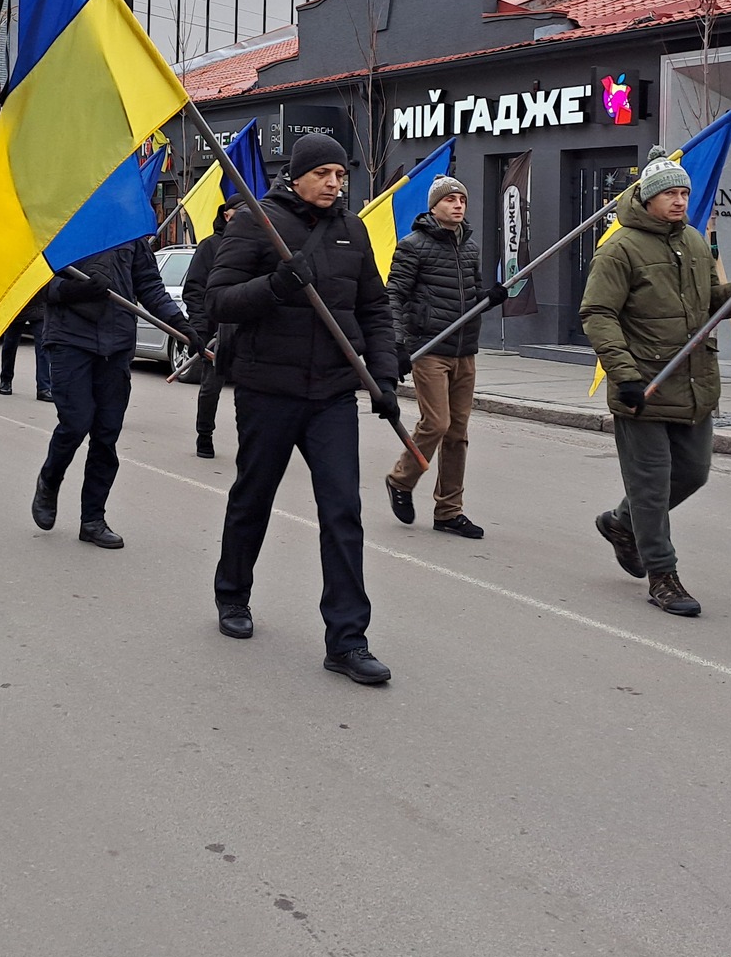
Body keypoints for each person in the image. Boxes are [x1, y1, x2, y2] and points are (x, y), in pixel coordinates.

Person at [205, 133, 400, 686]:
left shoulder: (351, 229)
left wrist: (384, 376)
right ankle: (232, 596)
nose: (335, 185)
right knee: (254, 495)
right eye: (324, 175)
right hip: (268, 387)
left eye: (341, 175)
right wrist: (274, 286)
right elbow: (218, 299)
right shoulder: (256, 222)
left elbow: (375, 308)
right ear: (298, 176)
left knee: (342, 511)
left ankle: (347, 640)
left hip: (332, 394)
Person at [581, 146, 731, 619]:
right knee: (651, 487)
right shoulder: (620, 248)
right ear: (648, 198)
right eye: (671, 194)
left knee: (694, 474)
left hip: (693, 382)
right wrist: (623, 376)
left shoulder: (695, 243)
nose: (680, 201)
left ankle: (622, 525)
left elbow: (704, 304)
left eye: (685, 192)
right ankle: (662, 575)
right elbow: (598, 314)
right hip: (643, 387)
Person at [29, 238, 193, 549]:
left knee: (106, 434)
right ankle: (49, 480)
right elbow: (34, 284)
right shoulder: (64, 223)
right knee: (76, 422)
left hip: (116, 343)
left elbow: (150, 287)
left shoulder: (130, 232)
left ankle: (92, 519)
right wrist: (71, 290)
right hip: (69, 339)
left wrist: (182, 326)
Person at [384, 174, 506, 538]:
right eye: (450, 200)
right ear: (434, 205)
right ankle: (401, 480)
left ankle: (449, 511)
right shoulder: (413, 245)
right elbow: (394, 295)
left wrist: (488, 297)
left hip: (464, 349)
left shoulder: (468, 246)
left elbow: (468, 296)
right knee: (436, 424)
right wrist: (397, 343)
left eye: (462, 200)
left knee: (457, 433)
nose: (458, 205)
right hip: (429, 348)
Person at [180, 201, 238, 458]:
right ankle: (205, 434)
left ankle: (253, 442)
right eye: (241, 213)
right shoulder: (210, 247)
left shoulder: (261, 245)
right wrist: (200, 328)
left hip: (249, 333)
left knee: (253, 393)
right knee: (211, 388)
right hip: (218, 333)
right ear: (226, 216)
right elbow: (194, 290)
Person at [0, 294, 54, 400]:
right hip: (16, 307)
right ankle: (6, 380)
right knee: (10, 346)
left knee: (43, 348)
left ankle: (44, 388)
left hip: (38, 307)